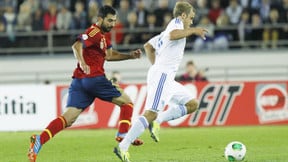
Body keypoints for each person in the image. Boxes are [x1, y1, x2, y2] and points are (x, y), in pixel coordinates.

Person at [27, 5, 144, 162]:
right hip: (94, 79)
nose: (112, 24)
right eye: (109, 20)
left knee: (68, 119)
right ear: (100, 19)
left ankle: (39, 141)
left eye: (114, 21)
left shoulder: (104, 37)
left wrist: (130, 56)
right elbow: (76, 45)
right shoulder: (93, 32)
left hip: (80, 82)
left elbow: (109, 56)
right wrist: (82, 62)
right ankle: (123, 134)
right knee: (127, 103)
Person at [113, 2, 207, 162]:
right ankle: (123, 147)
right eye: (191, 18)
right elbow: (173, 35)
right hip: (163, 75)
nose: (192, 21)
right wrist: (194, 31)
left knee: (192, 104)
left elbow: (148, 46)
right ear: (183, 15)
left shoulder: (165, 32)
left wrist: (157, 67)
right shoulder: (175, 25)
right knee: (150, 112)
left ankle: (159, 121)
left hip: (165, 76)